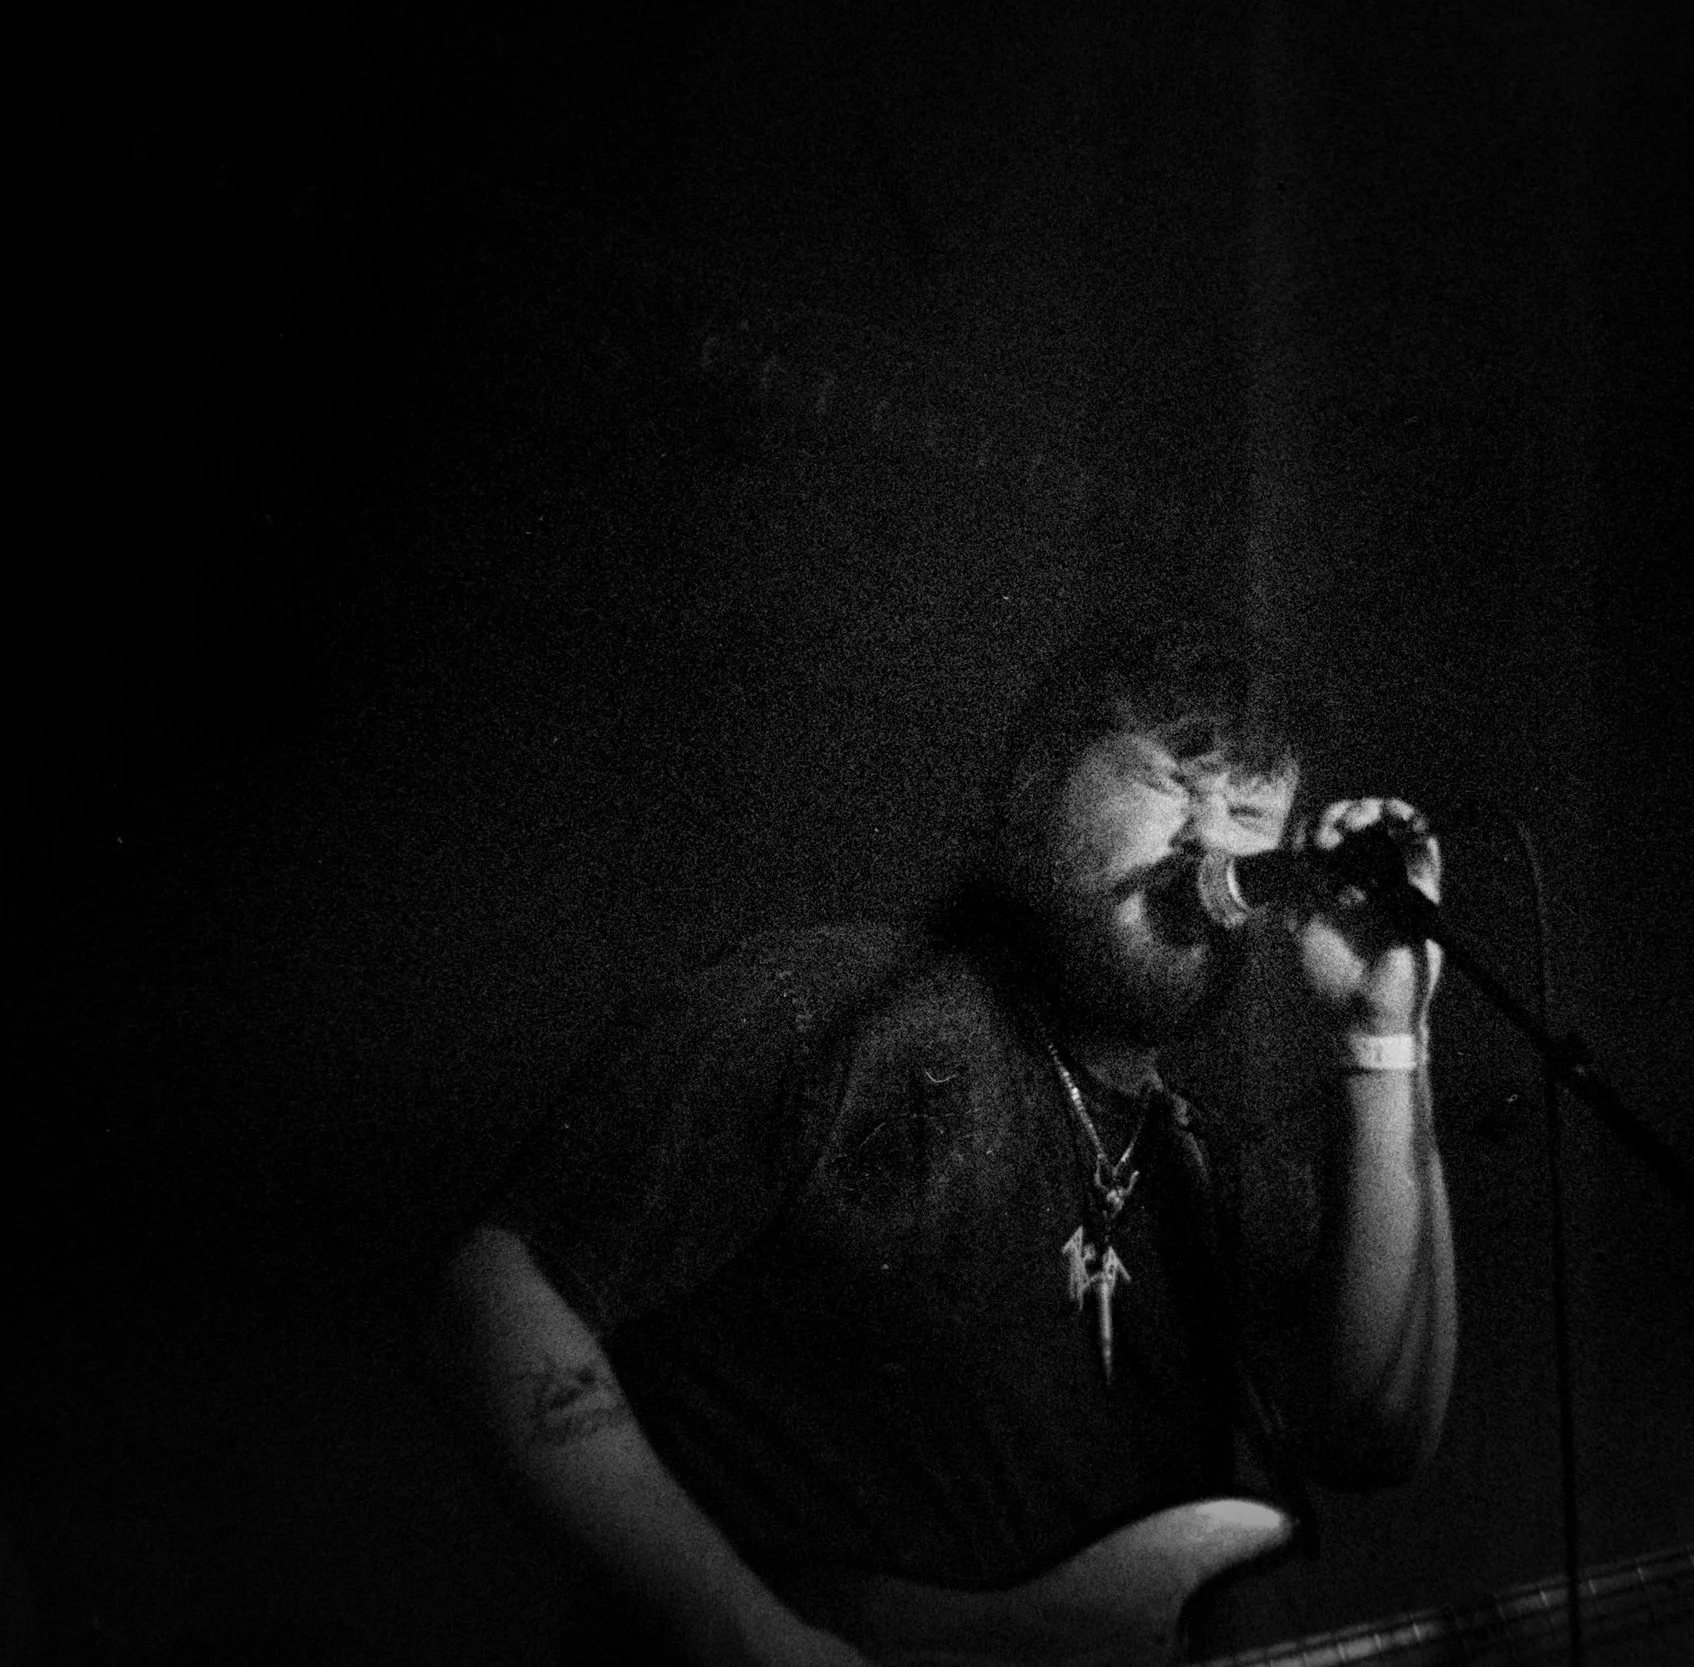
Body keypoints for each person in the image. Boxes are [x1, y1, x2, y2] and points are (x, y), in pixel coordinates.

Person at [423, 615, 1460, 1665]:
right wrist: (741, 1633)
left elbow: (1377, 1432)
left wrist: (1385, 1031)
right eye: (1168, 781)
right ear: (1036, 792)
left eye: (1244, 808)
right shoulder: (834, 1009)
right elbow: (498, 1290)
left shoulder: (1205, 1172)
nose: (1206, 837)